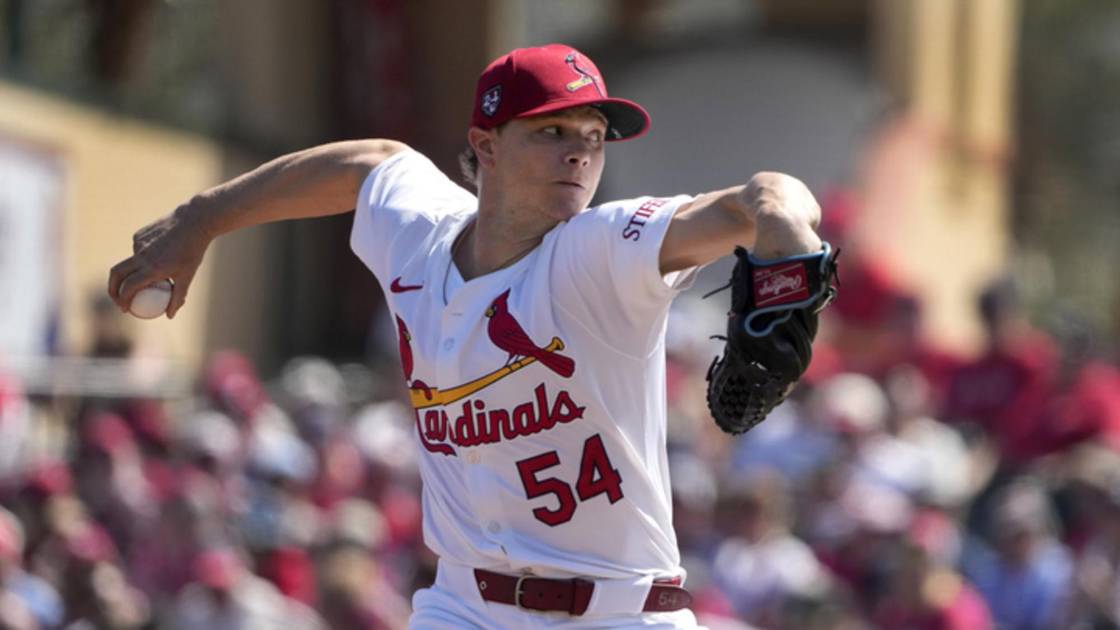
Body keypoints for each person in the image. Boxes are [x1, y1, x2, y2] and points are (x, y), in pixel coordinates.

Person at [108, 43, 823, 629]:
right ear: (486, 145)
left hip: (618, 611)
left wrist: (785, 224)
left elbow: (755, 200)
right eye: (552, 132)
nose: (580, 154)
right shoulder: (419, 235)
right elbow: (366, 164)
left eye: (593, 138)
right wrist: (203, 217)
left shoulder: (599, 250)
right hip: (464, 604)